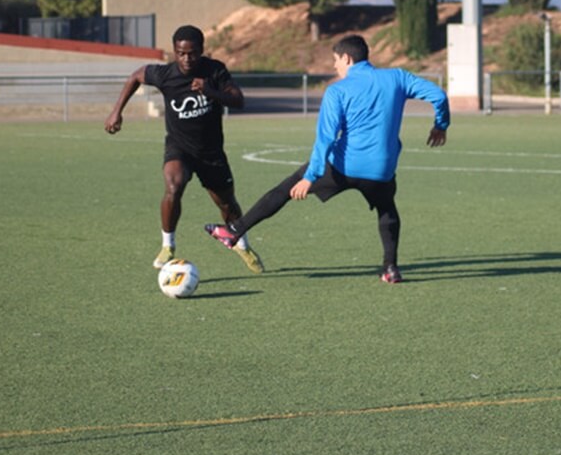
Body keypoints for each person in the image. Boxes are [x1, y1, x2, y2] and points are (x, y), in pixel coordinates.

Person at [204, 34, 449, 284]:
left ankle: (233, 231)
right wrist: (440, 125)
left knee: (284, 189)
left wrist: (310, 177)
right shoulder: (397, 77)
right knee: (387, 210)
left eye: (335, 60)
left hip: (343, 166)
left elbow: (326, 138)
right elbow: (438, 96)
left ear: (347, 57)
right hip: (381, 169)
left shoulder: (337, 91)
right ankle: (391, 268)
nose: (334, 66)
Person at [104, 24, 263, 274]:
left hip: (211, 153)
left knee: (226, 205)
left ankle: (241, 245)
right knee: (173, 186)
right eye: (181, 53)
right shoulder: (165, 74)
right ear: (174, 52)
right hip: (180, 147)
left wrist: (209, 91)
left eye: (192, 53)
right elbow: (135, 76)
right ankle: (168, 245)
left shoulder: (215, 70)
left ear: (202, 51)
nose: (186, 59)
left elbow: (238, 100)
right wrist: (117, 111)